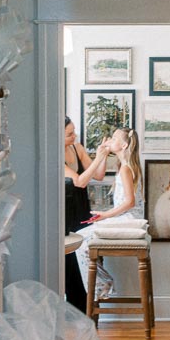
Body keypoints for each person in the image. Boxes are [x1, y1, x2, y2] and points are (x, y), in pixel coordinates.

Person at [72, 126, 143, 301]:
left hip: (129, 219)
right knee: (81, 239)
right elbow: (100, 175)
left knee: (80, 242)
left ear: (124, 145)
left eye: (114, 138)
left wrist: (106, 215)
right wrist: (102, 154)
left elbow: (130, 202)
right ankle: (102, 284)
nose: (110, 140)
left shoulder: (126, 169)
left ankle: (101, 285)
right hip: (125, 217)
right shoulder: (124, 166)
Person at [63, 116, 109, 310]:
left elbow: (98, 175)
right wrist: (98, 158)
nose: (74, 136)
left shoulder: (77, 148)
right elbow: (79, 181)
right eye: (69, 134)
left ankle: (88, 305)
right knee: (70, 257)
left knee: (84, 252)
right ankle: (76, 307)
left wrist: (102, 155)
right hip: (66, 211)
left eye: (74, 132)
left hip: (81, 207)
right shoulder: (55, 155)